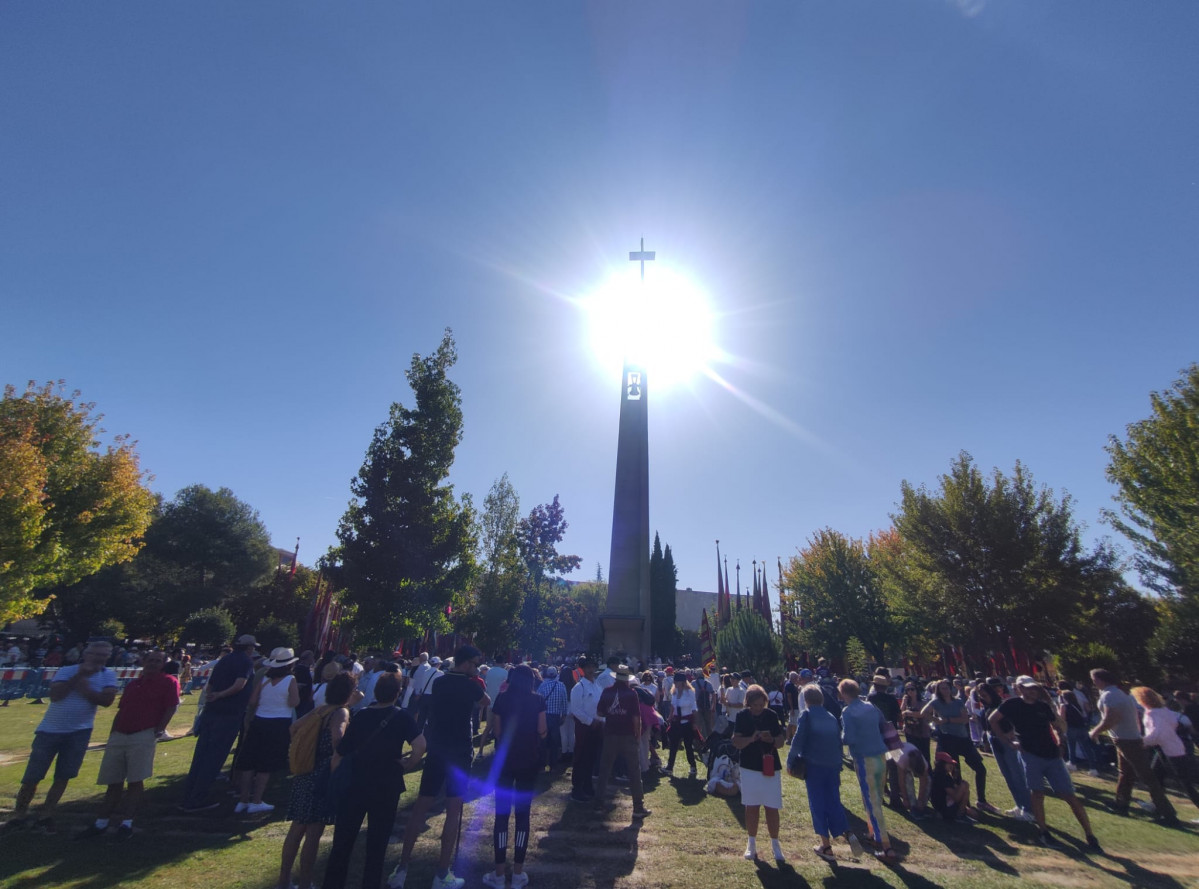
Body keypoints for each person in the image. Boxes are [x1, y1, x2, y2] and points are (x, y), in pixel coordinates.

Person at [390, 645, 488, 889]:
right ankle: (442, 873)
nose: (476, 668)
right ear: (466, 663)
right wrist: (475, 680)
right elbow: (485, 701)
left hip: (438, 746)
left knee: (422, 804)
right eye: (475, 664)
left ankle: (402, 868)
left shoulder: (441, 682)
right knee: (453, 809)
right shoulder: (471, 684)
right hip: (460, 750)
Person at [323, 673, 424, 889]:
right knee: (377, 844)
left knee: (342, 842)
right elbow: (420, 745)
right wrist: (409, 764)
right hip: (386, 784)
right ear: (398, 694)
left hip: (356, 783)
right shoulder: (402, 717)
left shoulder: (361, 716)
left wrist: (333, 780)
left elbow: (340, 751)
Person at [5, 640, 117, 833]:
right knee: (32, 775)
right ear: (86, 654)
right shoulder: (67, 670)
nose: (99, 659)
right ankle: (19, 815)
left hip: (79, 732)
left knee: (63, 776)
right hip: (50, 729)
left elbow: (106, 701)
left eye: (103, 656)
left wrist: (83, 687)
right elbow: (56, 695)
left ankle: (46, 815)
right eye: (95, 654)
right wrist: (80, 676)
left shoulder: (108, 675)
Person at [76, 649, 179, 840]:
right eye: (150, 660)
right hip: (120, 734)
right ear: (144, 662)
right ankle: (101, 822)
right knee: (113, 781)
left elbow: (171, 706)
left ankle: (127, 823)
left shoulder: (168, 682)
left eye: (158, 661)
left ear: (163, 664)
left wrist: (158, 730)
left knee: (135, 780)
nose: (153, 664)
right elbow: (122, 708)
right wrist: (113, 732)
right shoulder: (134, 684)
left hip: (143, 733)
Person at [991, 676, 1100, 850]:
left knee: (1069, 795)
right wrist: (1008, 741)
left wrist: (1062, 742)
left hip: (1051, 754)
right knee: (1037, 793)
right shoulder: (1012, 704)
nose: (1032, 691)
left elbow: (1056, 725)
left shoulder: (1043, 706)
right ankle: (1043, 831)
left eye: (1034, 688)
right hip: (1030, 754)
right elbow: (993, 719)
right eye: (1028, 688)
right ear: (1019, 688)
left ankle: (1090, 834)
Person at [279, 672, 352, 889]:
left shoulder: (320, 710)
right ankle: (306, 881)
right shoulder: (340, 712)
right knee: (314, 831)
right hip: (323, 772)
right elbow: (338, 740)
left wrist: (304, 749)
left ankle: (284, 880)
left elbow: (294, 728)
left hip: (305, 771)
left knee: (297, 827)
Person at [482, 665, 546, 889]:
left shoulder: (502, 698)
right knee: (522, 817)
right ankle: (518, 873)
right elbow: (542, 729)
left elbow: (497, 732)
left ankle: (499, 873)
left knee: (501, 816)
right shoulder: (537, 700)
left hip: (505, 761)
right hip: (529, 761)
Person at [181, 634, 259, 812]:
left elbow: (211, 684)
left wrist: (212, 696)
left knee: (201, 756)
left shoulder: (225, 660)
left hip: (213, 711)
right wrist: (222, 695)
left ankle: (188, 795)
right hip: (229, 713)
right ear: (249, 648)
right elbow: (240, 684)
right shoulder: (245, 662)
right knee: (214, 757)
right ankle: (197, 798)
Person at [1090, 668, 1177, 825]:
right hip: (1127, 738)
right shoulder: (1122, 694)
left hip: (1126, 740)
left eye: (1094, 679)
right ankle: (1121, 804)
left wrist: (1095, 731)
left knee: (1147, 777)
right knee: (1125, 773)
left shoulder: (1110, 695)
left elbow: (1112, 718)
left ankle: (1168, 814)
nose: (1093, 682)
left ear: (1101, 680)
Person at [787, 684, 863, 863]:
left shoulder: (806, 715)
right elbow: (839, 742)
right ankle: (847, 830)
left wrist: (790, 761)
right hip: (833, 765)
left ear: (806, 700)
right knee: (834, 800)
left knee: (817, 803)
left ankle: (825, 845)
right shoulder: (830, 717)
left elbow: (798, 741)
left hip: (814, 765)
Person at [234, 647, 300, 814]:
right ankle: (256, 800)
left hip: (259, 720)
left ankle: (243, 799)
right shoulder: (290, 679)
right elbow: (294, 702)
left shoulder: (264, 679)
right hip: (278, 723)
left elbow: (253, 700)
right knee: (266, 764)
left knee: (249, 761)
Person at [840, 678, 898, 863]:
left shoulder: (848, 712)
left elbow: (848, 738)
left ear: (843, 693)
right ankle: (873, 833)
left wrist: (838, 735)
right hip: (881, 756)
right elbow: (884, 724)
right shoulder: (871, 707)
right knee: (876, 799)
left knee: (872, 802)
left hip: (864, 759)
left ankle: (885, 846)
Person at [922, 679, 995, 814]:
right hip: (948, 739)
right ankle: (963, 804)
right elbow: (923, 713)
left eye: (947, 687)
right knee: (956, 773)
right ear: (938, 691)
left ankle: (982, 800)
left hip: (963, 738)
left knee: (980, 768)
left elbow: (965, 719)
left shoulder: (958, 701)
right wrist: (936, 720)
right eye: (942, 688)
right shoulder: (936, 703)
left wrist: (947, 720)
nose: (945, 690)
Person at [732, 684, 785, 862]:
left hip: (770, 766)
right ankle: (751, 843)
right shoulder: (742, 716)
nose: (757, 709)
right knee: (751, 806)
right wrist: (751, 738)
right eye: (754, 705)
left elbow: (780, 741)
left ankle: (775, 844)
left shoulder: (771, 715)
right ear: (748, 704)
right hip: (749, 766)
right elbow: (736, 742)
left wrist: (772, 739)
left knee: (772, 806)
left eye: (761, 705)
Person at [594, 665, 650, 819]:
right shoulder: (632, 694)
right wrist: (637, 736)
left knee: (604, 771)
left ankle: (598, 804)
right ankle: (638, 806)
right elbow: (636, 718)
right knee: (634, 772)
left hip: (610, 734)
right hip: (628, 736)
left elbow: (599, 712)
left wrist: (610, 713)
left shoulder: (607, 692)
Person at [1131, 686, 1199, 809]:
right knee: (1156, 775)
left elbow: (1157, 733)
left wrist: (1144, 742)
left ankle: (1158, 804)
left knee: (1184, 782)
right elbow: (1174, 722)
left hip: (1169, 750)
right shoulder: (1163, 710)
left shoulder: (1152, 713)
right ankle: (1157, 803)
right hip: (1169, 747)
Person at [976, 681, 1034, 822]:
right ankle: (1019, 805)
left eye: (984, 693)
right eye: (980, 694)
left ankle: (1029, 809)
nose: (982, 696)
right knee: (1007, 774)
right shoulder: (986, 707)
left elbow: (1013, 722)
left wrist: (1011, 736)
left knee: (1017, 774)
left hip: (1007, 740)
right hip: (994, 739)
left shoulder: (1002, 705)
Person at [568, 656, 603, 803]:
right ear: (583, 669)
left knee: (592, 757)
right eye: (588, 667)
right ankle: (577, 788)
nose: (590, 670)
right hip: (584, 727)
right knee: (581, 757)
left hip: (598, 726)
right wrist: (590, 721)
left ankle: (588, 785)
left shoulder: (597, 686)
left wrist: (602, 721)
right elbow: (575, 709)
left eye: (592, 667)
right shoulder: (579, 687)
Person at [1057, 680, 1100, 776]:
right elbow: (1088, 710)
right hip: (1082, 727)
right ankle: (1093, 768)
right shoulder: (1077, 705)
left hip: (1071, 727)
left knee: (1071, 746)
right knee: (1086, 747)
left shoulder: (1064, 706)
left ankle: (1072, 763)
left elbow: (1062, 718)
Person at [662, 672, 699, 778]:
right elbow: (673, 706)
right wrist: (669, 717)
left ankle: (693, 766)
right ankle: (670, 767)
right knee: (673, 745)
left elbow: (694, 708)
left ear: (682, 682)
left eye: (677, 681)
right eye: (675, 681)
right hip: (676, 722)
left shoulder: (690, 692)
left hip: (687, 722)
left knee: (688, 745)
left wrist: (695, 723)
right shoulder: (674, 691)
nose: (675, 683)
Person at [930, 752, 979, 821]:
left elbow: (955, 789)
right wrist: (963, 786)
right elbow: (956, 797)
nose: (952, 765)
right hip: (944, 807)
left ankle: (961, 813)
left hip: (948, 803)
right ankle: (959, 816)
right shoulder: (940, 777)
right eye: (949, 763)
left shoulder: (946, 776)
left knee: (974, 814)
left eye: (952, 764)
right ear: (941, 763)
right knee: (965, 785)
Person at [536, 665, 568, 770]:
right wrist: (563, 715)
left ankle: (542, 764)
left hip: (544, 716)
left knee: (543, 741)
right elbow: (564, 701)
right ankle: (553, 764)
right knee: (554, 742)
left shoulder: (542, 686)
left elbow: (538, 701)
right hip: (555, 716)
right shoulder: (561, 686)